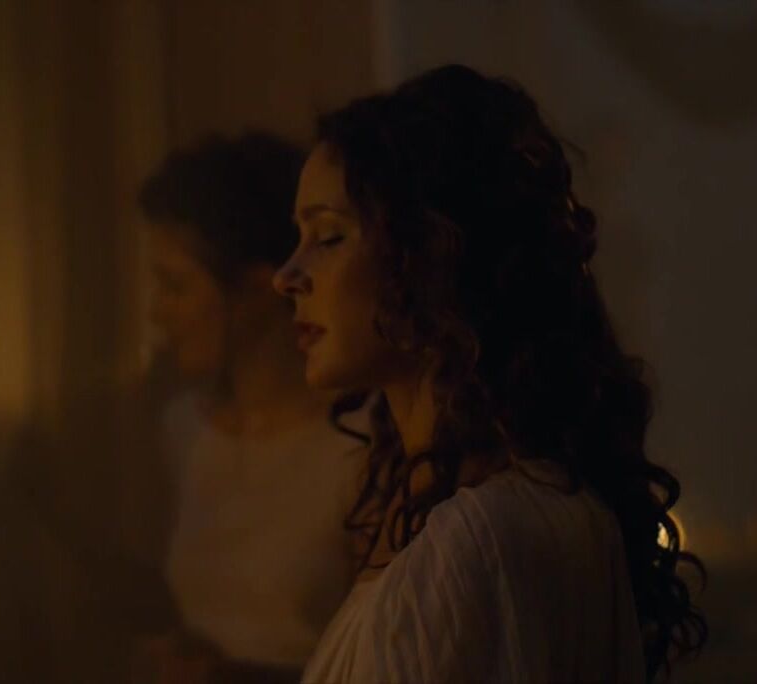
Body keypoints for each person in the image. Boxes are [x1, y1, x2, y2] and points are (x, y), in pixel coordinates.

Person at [272, 64, 707, 683]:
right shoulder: (502, 510)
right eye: (299, 237)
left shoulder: (476, 541)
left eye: (329, 236)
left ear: (430, 253)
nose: (286, 276)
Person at [132, 132, 372, 683]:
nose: (157, 313)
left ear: (261, 289)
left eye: (175, 286)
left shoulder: (358, 442)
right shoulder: (183, 429)